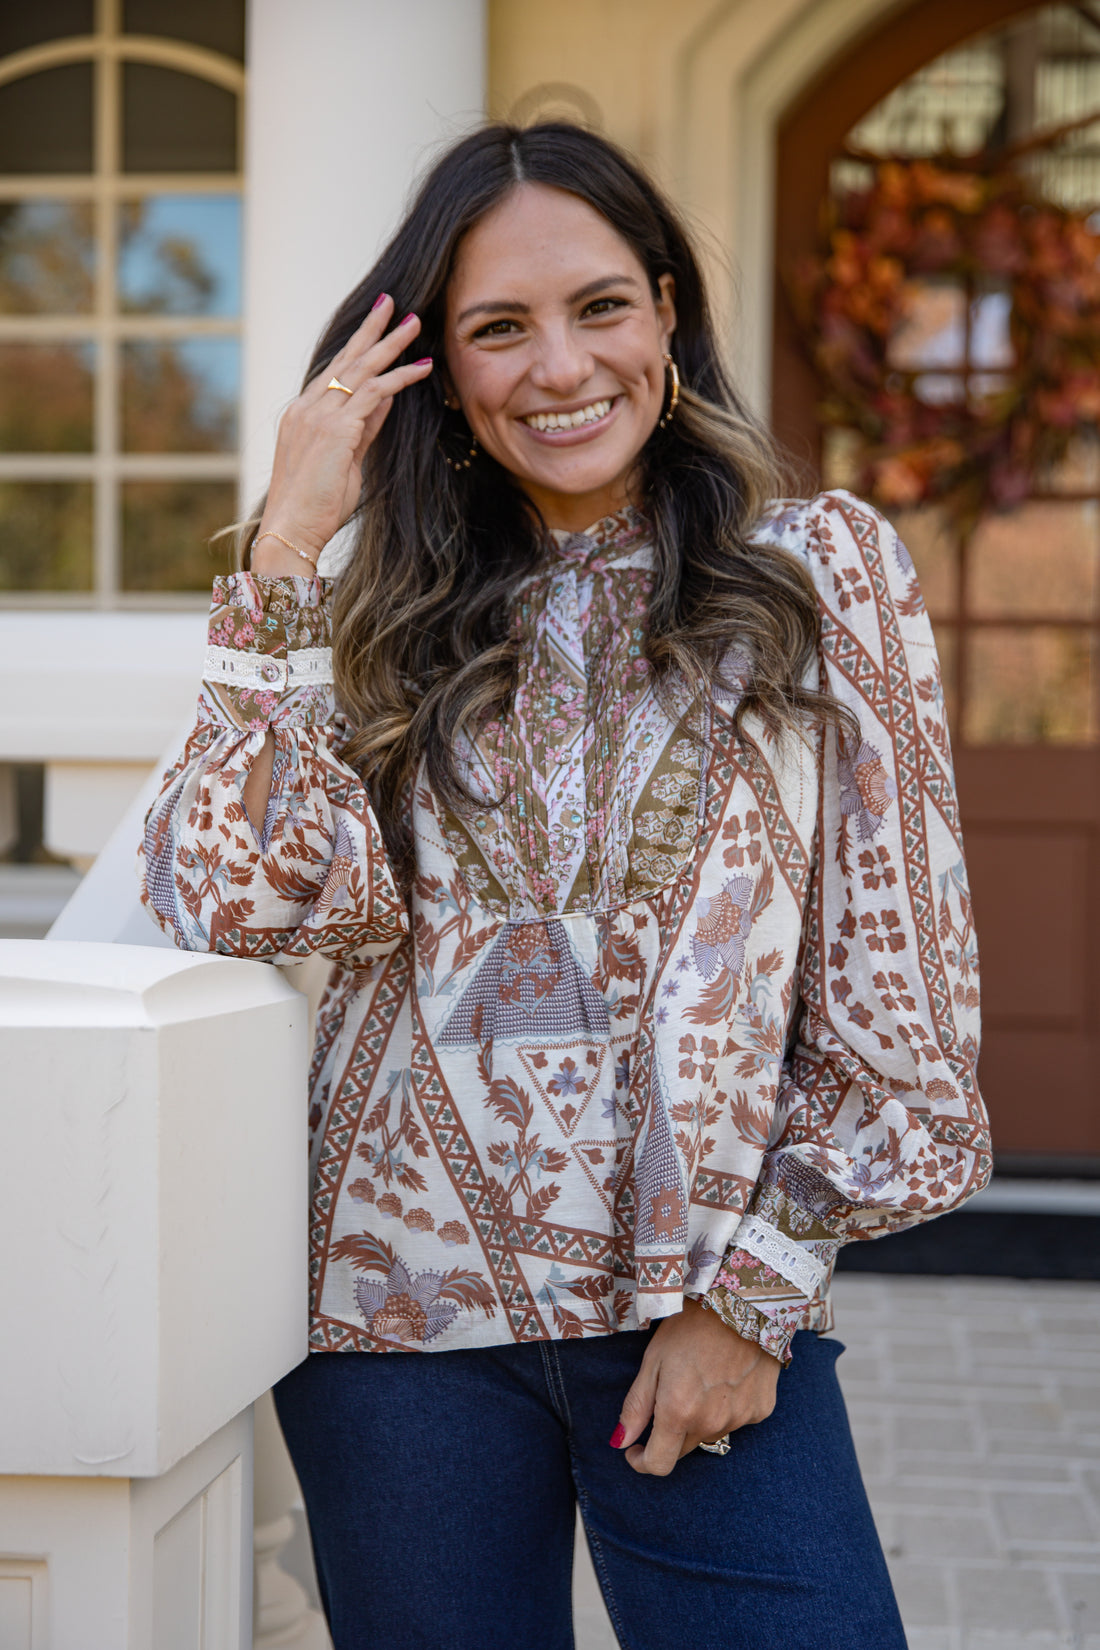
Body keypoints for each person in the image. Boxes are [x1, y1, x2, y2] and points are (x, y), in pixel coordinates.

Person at [139, 122, 990, 1650]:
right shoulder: (381, 617)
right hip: (388, 1330)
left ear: (668, 312)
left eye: (599, 305)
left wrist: (755, 1294)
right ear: (441, 374)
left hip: (702, 1305)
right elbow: (232, 892)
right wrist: (287, 541)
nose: (560, 366)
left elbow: (898, 990)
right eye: (497, 328)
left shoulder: (819, 570)